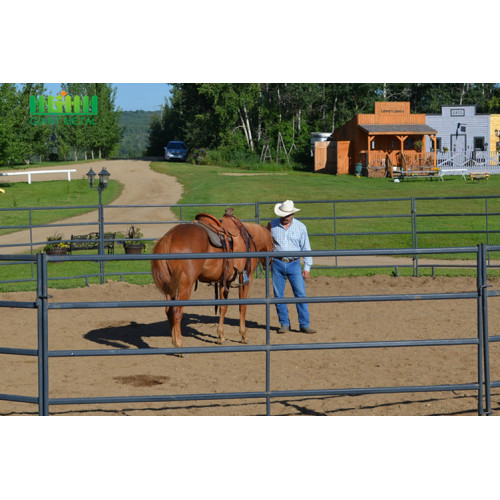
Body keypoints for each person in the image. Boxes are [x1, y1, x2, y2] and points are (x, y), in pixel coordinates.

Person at [270, 200, 316, 334]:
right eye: (283, 215)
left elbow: (306, 248)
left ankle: (304, 324)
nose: (285, 218)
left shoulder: (301, 227)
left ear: (292, 214)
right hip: (277, 263)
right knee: (279, 295)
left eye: (287, 215)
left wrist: (307, 267)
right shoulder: (272, 226)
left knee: (300, 293)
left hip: (294, 263)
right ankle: (284, 323)